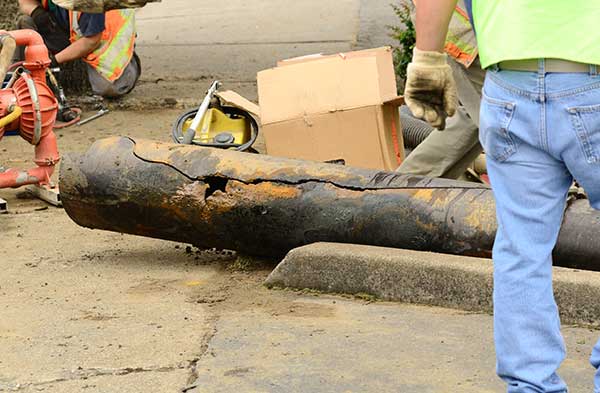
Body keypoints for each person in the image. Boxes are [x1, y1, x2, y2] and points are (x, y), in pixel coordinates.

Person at [405, 1, 600, 392]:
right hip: (591, 74)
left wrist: (426, 59)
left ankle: (531, 385)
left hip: (509, 84)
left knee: (521, 248)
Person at [397, 0, 484, 180]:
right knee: (503, 117)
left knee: (482, 114)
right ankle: (401, 191)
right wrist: (428, 61)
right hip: (465, 29)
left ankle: (403, 189)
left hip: (468, 27)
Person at [17, 0, 140, 98]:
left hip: (105, 47)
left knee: (107, 87)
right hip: (73, 34)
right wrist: (37, 12)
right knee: (26, 25)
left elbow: (91, 41)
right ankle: (30, 82)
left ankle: (129, 68)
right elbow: (25, 2)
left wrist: (52, 61)